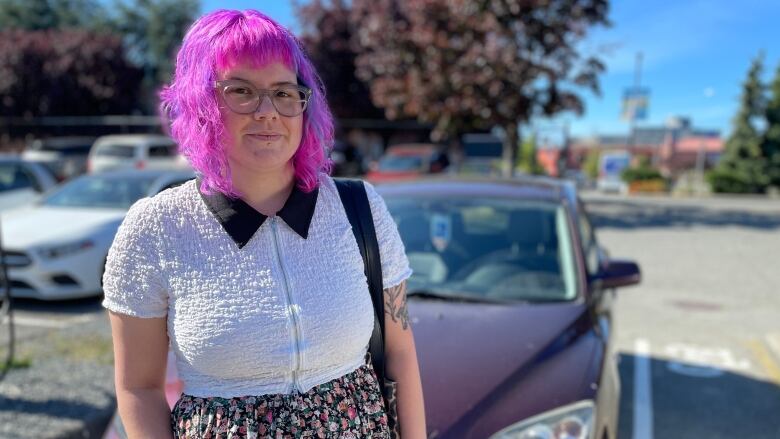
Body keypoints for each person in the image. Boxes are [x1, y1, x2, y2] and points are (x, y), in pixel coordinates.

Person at [102, 9, 426, 438]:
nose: (267, 112)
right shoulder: (156, 229)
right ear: (202, 104)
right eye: (241, 91)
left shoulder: (359, 209)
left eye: (284, 93)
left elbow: (401, 355)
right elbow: (138, 387)